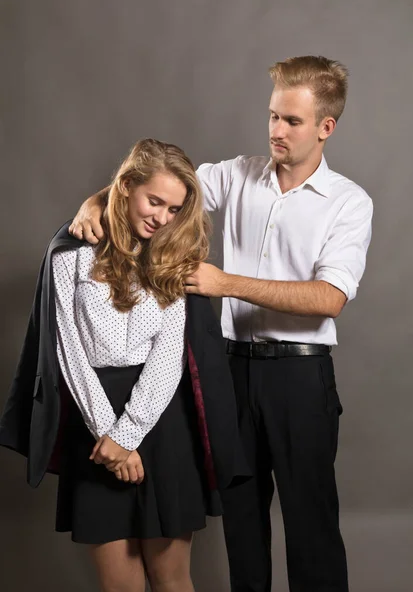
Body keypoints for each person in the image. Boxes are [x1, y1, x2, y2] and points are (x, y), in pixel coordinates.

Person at [67, 56, 373, 592]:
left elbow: (330, 297)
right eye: (273, 116)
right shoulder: (239, 174)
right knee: (241, 525)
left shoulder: (348, 202)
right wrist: (99, 199)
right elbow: (158, 185)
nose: (277, 130)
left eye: (292, 121)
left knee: (311, 527)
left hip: (300, 380)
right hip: (228, 373)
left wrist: (225, 283)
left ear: (326, 127)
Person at [0, 139, 250, 592]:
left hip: (162, 418)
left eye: (174, 209)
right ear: (126, 186)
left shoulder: (174, 257)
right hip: (92, 418)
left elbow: (169, 355)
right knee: (120, 584)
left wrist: (128, 434)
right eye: (155, 201)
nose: (162, 217)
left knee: (171, 577)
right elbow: (69, 353)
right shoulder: (70, 253)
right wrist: (108, 438)